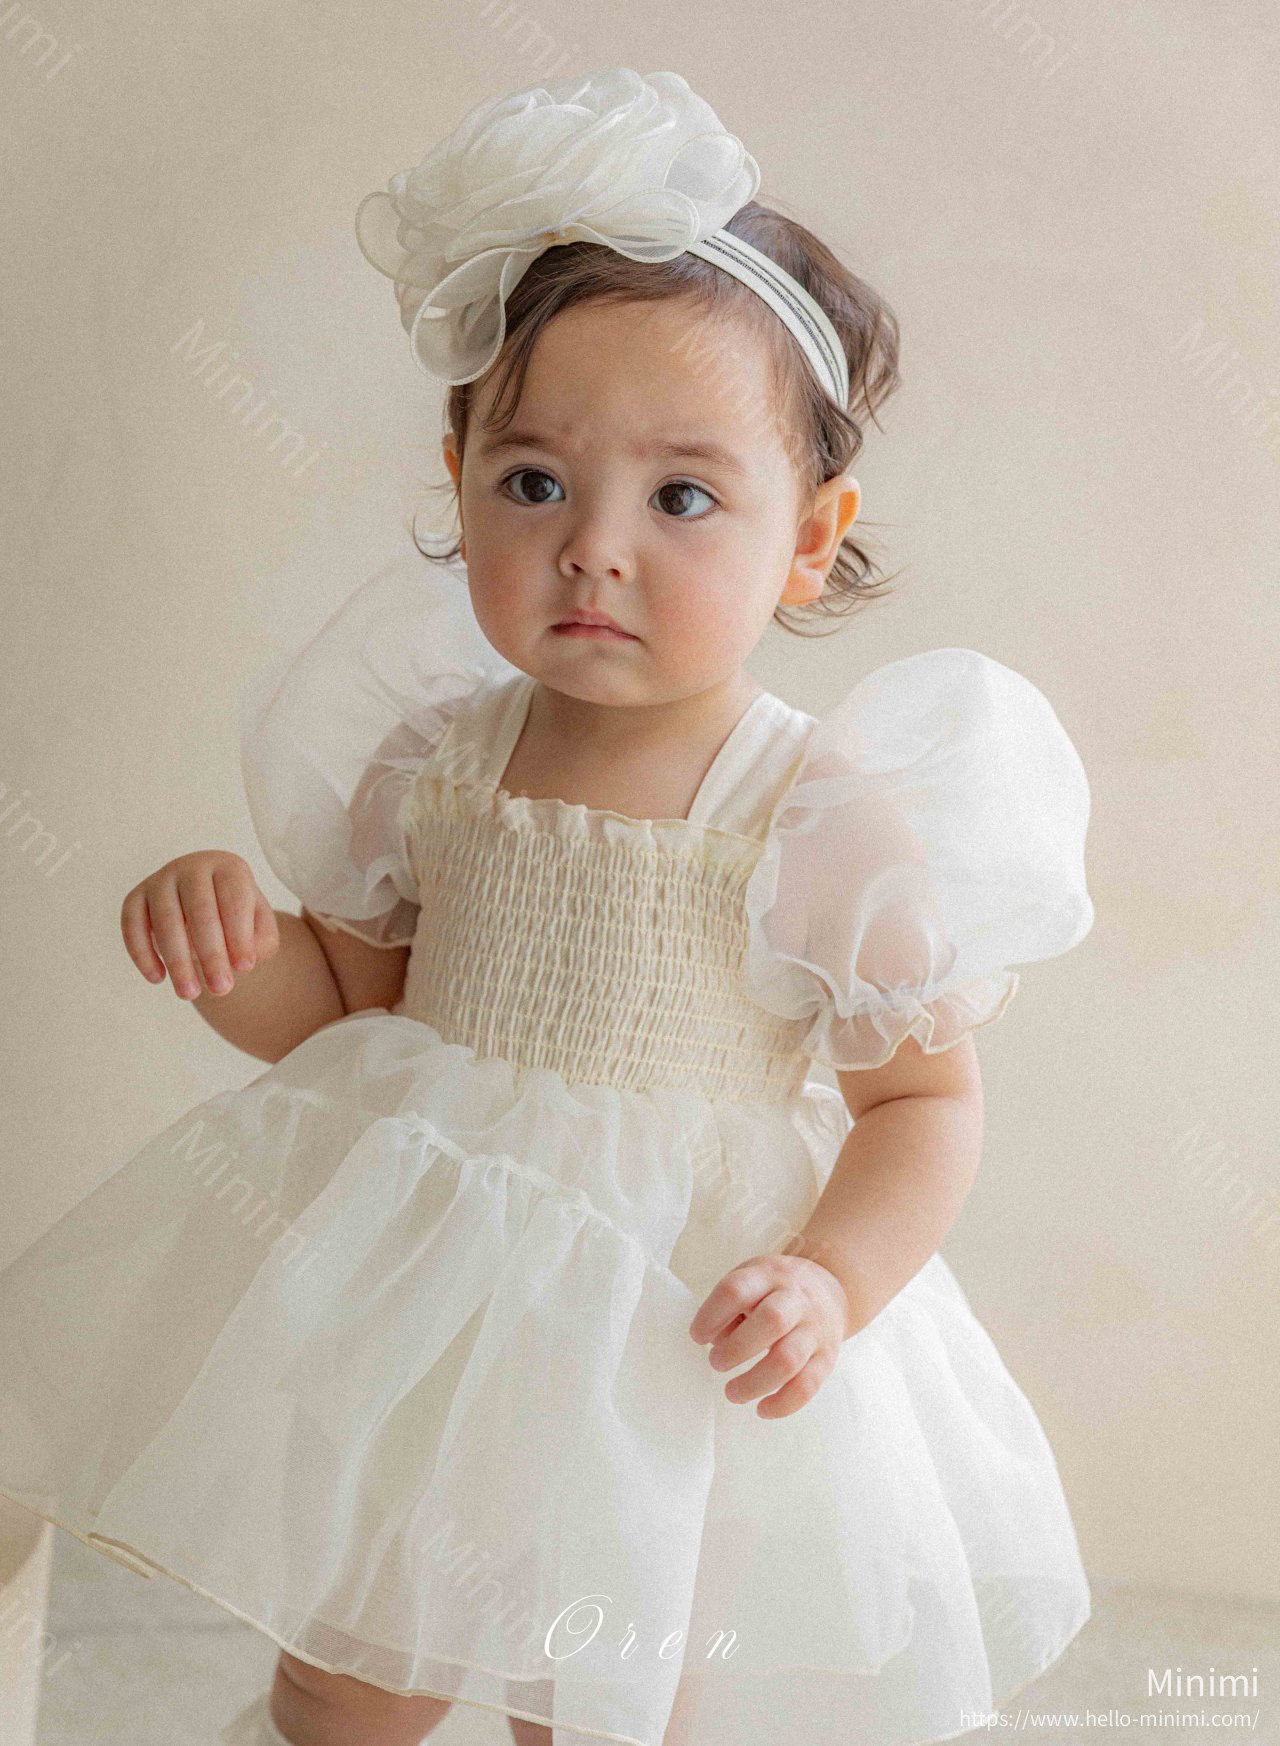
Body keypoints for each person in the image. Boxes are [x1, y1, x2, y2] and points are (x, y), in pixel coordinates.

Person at [0, 66, 1096, 1746]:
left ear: (810, 539)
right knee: (347, 1675)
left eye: (681, 497)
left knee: (597, 1696)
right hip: (421, 1317)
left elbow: (922, 1103)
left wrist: (829, 1278)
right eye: (533, 483)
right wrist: (233, 944)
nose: (594, 547)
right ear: (457, 479)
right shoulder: (436, 759)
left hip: (663, 1340)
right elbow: (347, 1011)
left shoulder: (811, 811)